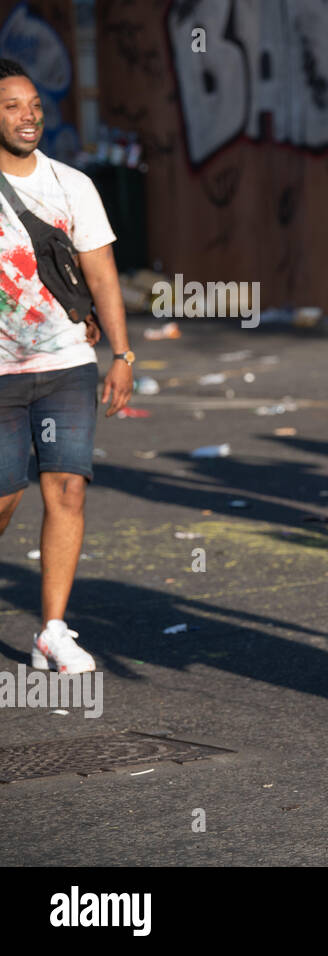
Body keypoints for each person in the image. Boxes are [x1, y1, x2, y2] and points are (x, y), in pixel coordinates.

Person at [0, 58, 132, 673]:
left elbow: (102, 273)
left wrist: (122, 354)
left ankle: (52, 631)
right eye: (12, 106)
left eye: (35, 106)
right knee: (3, 500)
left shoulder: (72, 184)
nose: (29, 117)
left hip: (67, 365)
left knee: (68, 490)